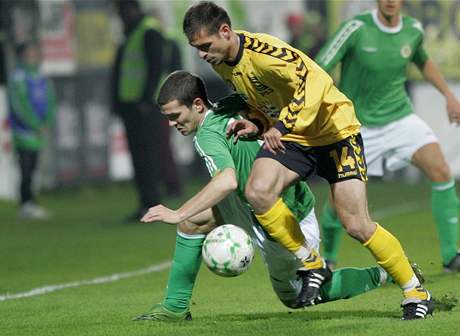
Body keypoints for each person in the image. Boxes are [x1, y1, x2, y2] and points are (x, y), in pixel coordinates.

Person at [182, 1, 432, 319]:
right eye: (197, 48)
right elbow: (264, 101)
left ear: (225, 31)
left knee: (356, 224)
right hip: (297, 137)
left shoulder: (263, 52)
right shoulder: (224, 63)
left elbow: (314, 83)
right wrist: (257, 123)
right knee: (258, 191)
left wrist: (282, 126)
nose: (203, 54)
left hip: (334, 131)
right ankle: (311, 261)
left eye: (205, 46)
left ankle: (415, 291)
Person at [134, 71, 400, 321]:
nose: (171, 123)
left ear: (198, 105)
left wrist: (177, 211)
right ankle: (175, 306)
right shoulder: (231, 105)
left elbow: (227, 180)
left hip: (280, 220)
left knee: (298, 297)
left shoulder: (207, 135)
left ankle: (383, 274)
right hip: (265, 202)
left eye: (175, 115)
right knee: (193, 222)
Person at [315, 0, 460, 273]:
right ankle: (329, 258)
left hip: (400, 118)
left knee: (441, 171)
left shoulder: (413, 29)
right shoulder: (355, 29)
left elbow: (423, 61)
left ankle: (452, 254)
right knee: (340, 201)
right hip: (358, 126)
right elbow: (318, 67)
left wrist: (449, 96)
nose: (391, 1)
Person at [111, 0, 166, 222]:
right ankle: (145, 203)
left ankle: (152, 204)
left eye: (122, 12)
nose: (121, 16)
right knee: (138, 157)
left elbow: (155, 67)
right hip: (130, 105)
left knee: (147, 156)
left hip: (144, 106)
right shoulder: (132, 32)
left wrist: (145, 99)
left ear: (131, 10)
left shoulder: (149, 31)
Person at [8, 41, 55, 219]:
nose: (31, 58)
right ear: (20, 57)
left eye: (34, 54)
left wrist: (47, 122)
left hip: (39, 131)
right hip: (23, 130)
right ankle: (25, 202)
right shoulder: (18, 77)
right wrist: (35, 124)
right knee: (25, 167)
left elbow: (50, 102)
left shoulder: (41, 77)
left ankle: (32, 202)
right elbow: (20, 104)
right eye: (27, 54)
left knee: (34, 167)